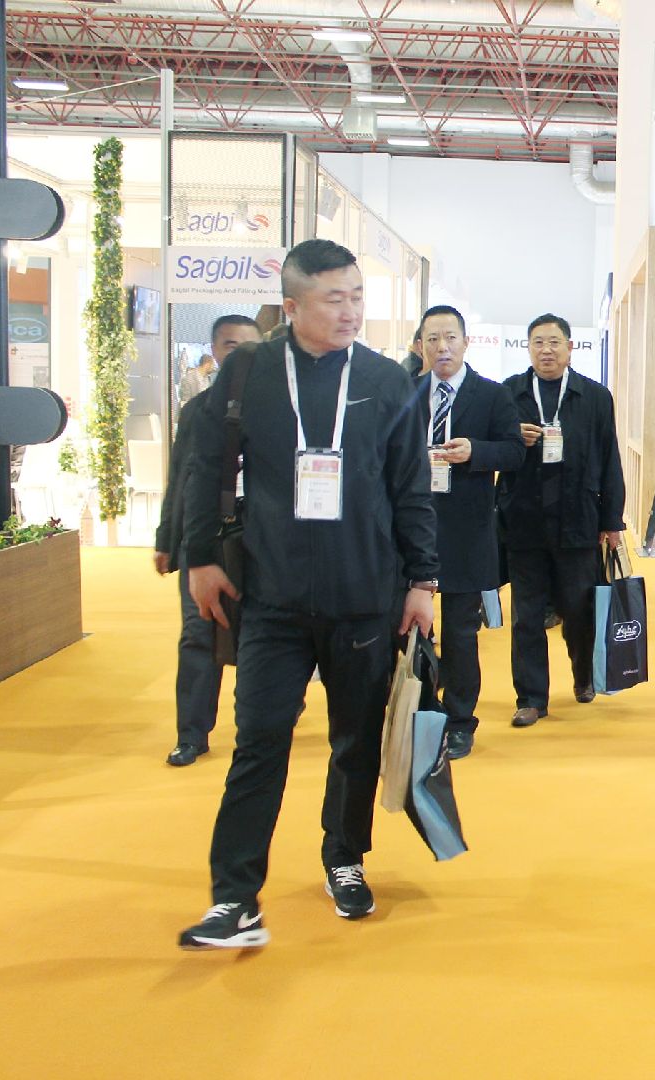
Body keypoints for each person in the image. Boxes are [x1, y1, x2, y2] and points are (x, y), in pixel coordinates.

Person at [176, 238, 438, 949]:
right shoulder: (251, 373)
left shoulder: (386, 380)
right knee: (258, 741)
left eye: (357, 296)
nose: (350, 310)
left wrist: (423, 581)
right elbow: (206, 465)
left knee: (355, 741)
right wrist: (200, 557)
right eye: (333, 299)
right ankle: (234, 898)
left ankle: (344, 856)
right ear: (291, 307)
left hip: (364, 596)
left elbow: (411, 489)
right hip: (273, 598)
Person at [498, 313, 625, 728]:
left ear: (570, 348)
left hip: (578, 521)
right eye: (538, 342)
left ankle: (583, 674)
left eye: (554, 342)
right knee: (527, 615)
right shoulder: (509, 394)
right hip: (525, 521)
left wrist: (612, 520)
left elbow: (609, 458)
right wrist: (512, 438)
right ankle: (531, 698)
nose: (546, 351)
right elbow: (493, 449)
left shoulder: (595, 397)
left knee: (578, 608)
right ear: (528, 348)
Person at [414, 304, 525, 759]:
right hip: (413, 527)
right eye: (432, 339)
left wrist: (475, 451)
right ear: (420, 345)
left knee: (461, 633)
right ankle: (422, 712)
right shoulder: (405, 393)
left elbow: (515, 453)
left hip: (466, 529)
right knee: (413, 629)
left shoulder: (492, 395)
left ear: (465, 341)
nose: (442, 347)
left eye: (450, 337)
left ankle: (460, 721)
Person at [154, 392, 227, 767]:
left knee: (268, 634)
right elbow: (180, 475)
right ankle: (191, 735)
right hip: (200, 541)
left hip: (263, 540)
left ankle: (280, 710)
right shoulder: (199, 409)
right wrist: (166, 536)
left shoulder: (280, 403)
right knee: (198, 633)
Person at [179, 314, 261, 408]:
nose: (243, 354)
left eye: (251, 347)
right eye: (232, 347)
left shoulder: (273, 401)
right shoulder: (196, 410)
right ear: (214, 350)